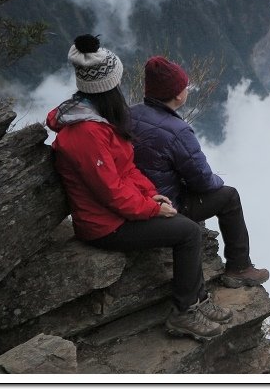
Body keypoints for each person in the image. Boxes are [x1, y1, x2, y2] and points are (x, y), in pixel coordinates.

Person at [46, 34, 232, 342]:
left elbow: (126, 168)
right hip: (104, 227)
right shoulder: (85, 133)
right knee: (186, 232)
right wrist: (151, 208)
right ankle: (184, 313)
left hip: (116, 213)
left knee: (185, 227)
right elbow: (111, 192)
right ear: (107, 86)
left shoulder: (97, 118)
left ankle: (197, 300)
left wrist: (150, 194)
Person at [130, 55, 269, 288]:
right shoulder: (177, 131)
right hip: (164, 204)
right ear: (177, 94)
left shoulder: (129, 113)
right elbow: (203, 182)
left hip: (134, 198)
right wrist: (217, 179)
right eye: (185, 86)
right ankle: (239, 268)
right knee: (229, 197)